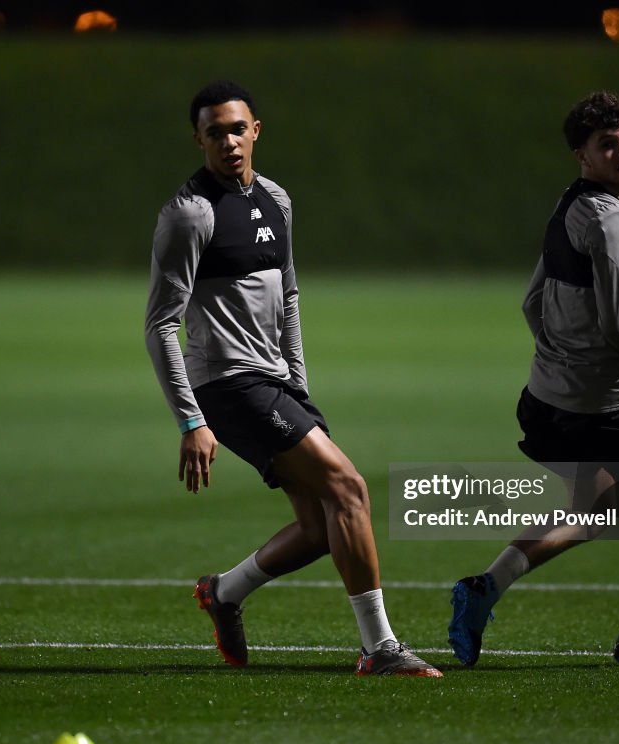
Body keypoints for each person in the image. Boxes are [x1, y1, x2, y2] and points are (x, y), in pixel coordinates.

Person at [145, 80, 441, 677]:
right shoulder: (189, 215)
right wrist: (190, 419)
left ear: (256, 131)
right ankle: (380, 648)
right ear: (198, 139)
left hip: (275, 383)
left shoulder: (277, 200)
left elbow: (290, 297)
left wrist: (298, 383)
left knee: (317, 527)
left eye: (237, 128)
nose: (228, 141)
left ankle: (223, 592)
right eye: (214, 132)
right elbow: (159, 325)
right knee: (349, 489)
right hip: (227, 386)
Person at [448, 91, 619, 667]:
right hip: (608, 407)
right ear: (581, 155)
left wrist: (560, 358)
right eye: (607, 144)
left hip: (547, 401)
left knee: (593, 510)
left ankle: (482, 589)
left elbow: (530, 302)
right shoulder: (612, 217)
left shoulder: (569, 205)